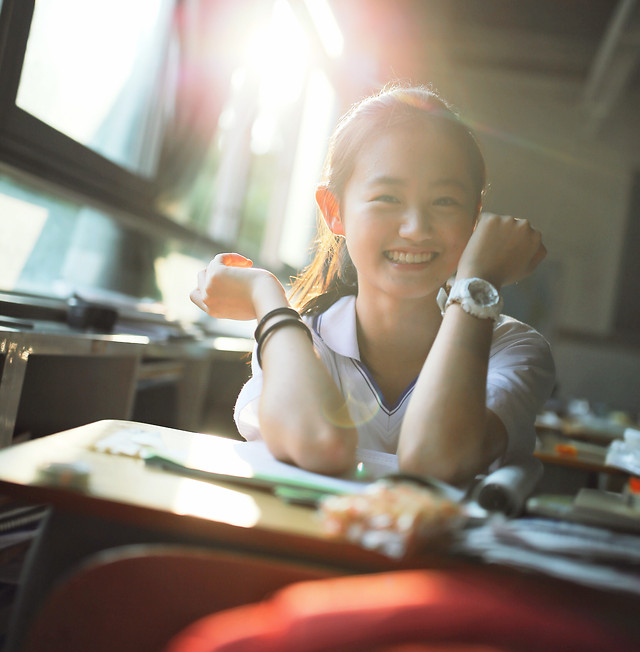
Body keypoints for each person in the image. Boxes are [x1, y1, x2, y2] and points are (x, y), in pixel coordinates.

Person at [191, 85, 554, 487]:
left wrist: (478, 280)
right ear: (334, 211)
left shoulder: (511, 348)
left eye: (445, 201)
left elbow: (435, 461)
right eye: (387, 197)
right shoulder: (299, 339)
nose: (416, 229)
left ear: (475, 219)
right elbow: (319, 444)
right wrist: (266, 297)